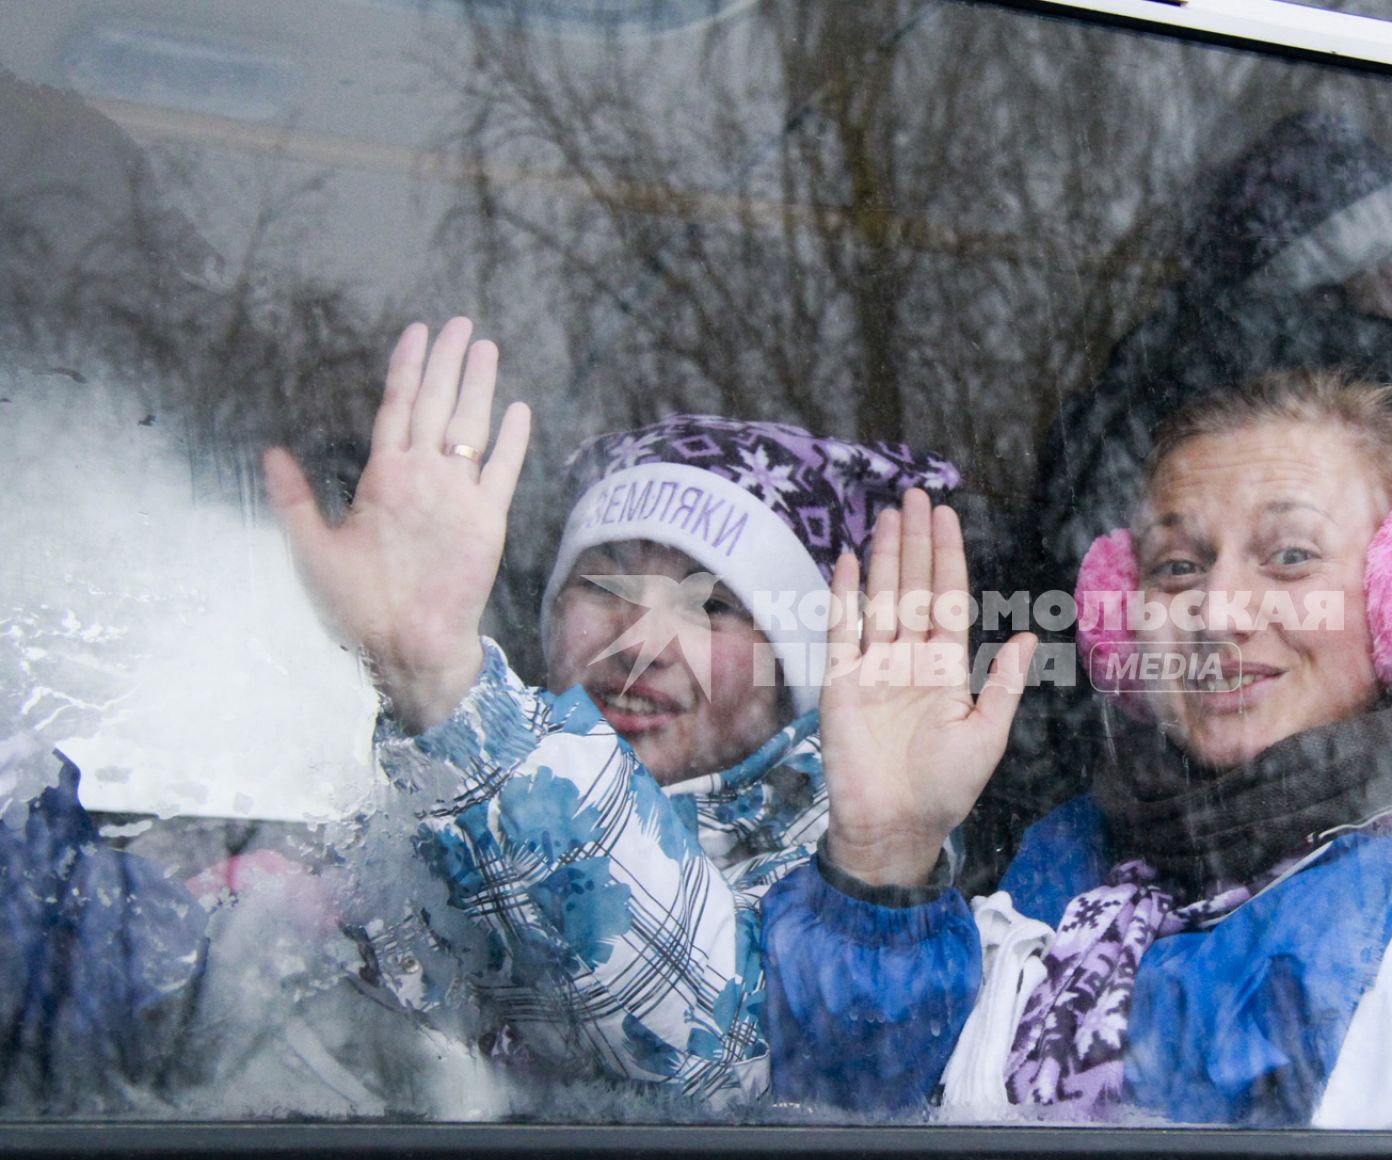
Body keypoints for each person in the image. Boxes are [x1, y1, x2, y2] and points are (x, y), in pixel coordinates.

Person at [763, 369, 1392, 1130]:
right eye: (1178, 566)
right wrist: (883, 862)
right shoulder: (1077, 855)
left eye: (1289, 556)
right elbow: (848, 1134)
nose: (1217, 613)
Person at [263, 317, 1031, 1105]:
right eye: (605, 585)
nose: (641, 643)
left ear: (796, 672)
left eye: (713, 605)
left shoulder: (835, 871)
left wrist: (444, 686)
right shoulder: (408, 800)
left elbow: (719, 1049)